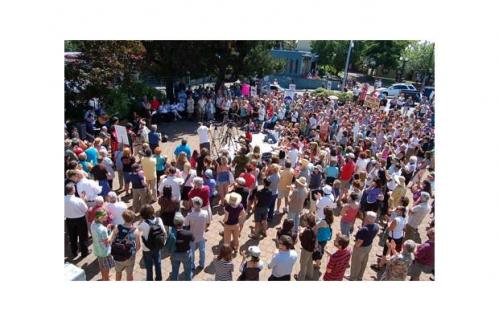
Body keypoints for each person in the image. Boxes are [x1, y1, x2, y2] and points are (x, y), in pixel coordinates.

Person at [110, 210, 140, 281]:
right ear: (133, 219)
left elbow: (111, 240)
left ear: (123, 218)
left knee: (118, 272)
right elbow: (138, 247)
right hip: (129, 256)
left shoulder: (117, 227)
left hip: (117, 255)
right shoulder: (135, 231)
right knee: (129, 275)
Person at [349, 211, 379, 281]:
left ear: (367, 219)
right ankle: (360, 277)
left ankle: (352, 277)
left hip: (360, 249)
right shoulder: (376, 226)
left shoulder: (364, 230)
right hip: (368, 247)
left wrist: (355, 245)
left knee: (356, 263)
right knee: (363, 263)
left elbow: (358, 243)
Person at [139, 204, 166, 281]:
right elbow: (164, 233)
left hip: (147, 248)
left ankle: (149, 279)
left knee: (149, 266)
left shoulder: (143, 224)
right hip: (157, 246)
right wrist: (163, 243)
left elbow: (138, 230)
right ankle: (159, 278)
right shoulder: (159, 220)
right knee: (158, 263)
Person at [64, 183, 89, 258]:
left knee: (72, 236)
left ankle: (74, 252)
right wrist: (83, 200)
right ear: (73, 190)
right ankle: (84, 252)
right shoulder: (78, 200)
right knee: (83, 236)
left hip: (69, 220)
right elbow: (85, 209)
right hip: (80, 219)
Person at [184, 197, 209, 271]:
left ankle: (192, 266)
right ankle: (202, 264)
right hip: (201, 235)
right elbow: (207, 223)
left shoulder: (190, 215)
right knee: (202, 250)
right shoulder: (205, 213)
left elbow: (185, 225)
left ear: (194, 205)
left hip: (192, 236)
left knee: (191, 251)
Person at [90, 210, 115, 281]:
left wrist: (107, 230)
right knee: (106, 267)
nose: (107, 216)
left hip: (97, 249)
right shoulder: (103, 229)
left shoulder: (93, 223)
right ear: (100, 217)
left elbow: (99, 235)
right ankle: (106, 279)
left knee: (102, 265)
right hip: (104, 251)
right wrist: (113, 232)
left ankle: (104, 276)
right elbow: (108, 242)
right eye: (105, 215)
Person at [170, 213, 194, 281]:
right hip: (186, 254)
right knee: (188, 270)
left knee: (174, 271)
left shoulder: (171, 234)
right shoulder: (188, 233)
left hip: (174, 254)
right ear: (183, 222)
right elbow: (193, 240)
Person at [295, 214, 317, 281]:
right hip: (311, 249)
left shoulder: (307, 231)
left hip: (306, 250)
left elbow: (303, 240)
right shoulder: (314, 228)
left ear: (308, 222)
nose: (304, 222)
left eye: (305, 220)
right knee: (310, 262)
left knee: (303, 264)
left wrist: (300, 234)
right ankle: (310, 275)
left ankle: (301, 278)